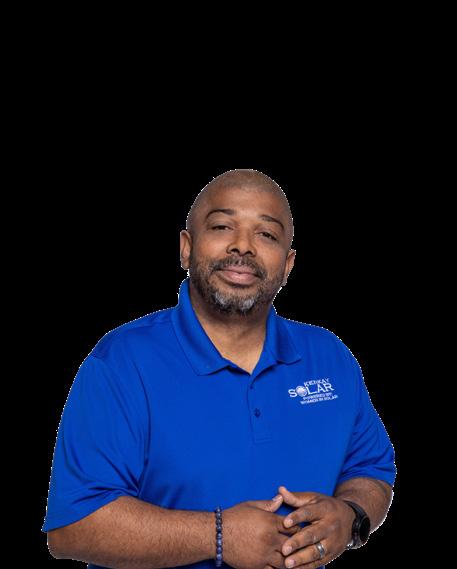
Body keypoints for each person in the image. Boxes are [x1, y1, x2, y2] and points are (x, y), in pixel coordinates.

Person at [43, 169, 396, 569]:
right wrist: (218, 536)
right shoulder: (121, 363)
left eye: (267, 234)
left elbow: (370, 467)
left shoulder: (329, 357)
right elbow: (73, 527)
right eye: (222, 226)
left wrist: (350, 516)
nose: (243, 246)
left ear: (288, 265)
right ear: (186, 248)